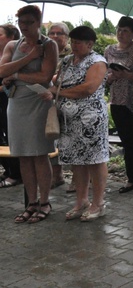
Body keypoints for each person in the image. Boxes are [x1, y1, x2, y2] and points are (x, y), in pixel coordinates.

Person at [43, 26, 109, 221]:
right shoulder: (67, 61)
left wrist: (58, 92)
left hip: (91, 120)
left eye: (78, 43)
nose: (74, 46)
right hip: (69, 120)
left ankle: (98, 203)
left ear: (90, 44)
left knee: (95, 160)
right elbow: (57, 82)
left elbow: (88, 88)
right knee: (76, 161)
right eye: (73, 42)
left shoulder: (97, 61)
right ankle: (81, 201)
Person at [0, 5, 58, 223]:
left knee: (39, 154)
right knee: (23, 154)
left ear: (38, 22)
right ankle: (31, 202)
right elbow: (1, 71)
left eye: (29, 22)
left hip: (38, 102)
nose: (24, 26)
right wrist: (29, 58)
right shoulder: (14, 44)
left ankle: (45, 202)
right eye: (20, 22)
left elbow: (45, 76)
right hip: (15, 103)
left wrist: (15, 74)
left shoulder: (49, 45)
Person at [105, 17, 133, 194]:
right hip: (118, 100)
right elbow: (104, 74)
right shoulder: (109, 50)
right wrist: (110, 77)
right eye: (119, 30)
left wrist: (127, 75)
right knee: (127, 140)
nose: (121, 34)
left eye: (125, 31)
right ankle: (132, 178)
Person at [47, 22, 71, 190]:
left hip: (68, 101)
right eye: (52, 33)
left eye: (59, 33)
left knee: (70, 139)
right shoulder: (45, 51)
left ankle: (79, 178)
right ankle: (57, 174)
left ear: (67, 37)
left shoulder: (72, 54)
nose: (55, 36)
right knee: (52, 136)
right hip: (48, 102)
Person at [0, 24, 22, 188]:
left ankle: (15, 173)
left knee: (11, 135)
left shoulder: (17, 56)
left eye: (0, 35)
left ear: (11, 37)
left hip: (10, 100)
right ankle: (7, 170)